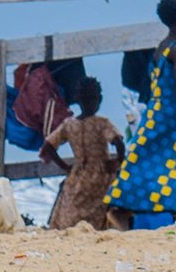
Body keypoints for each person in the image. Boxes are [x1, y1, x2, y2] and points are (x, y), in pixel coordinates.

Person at [108, 0, 176, 228]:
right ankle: (129, 210)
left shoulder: (161, 48)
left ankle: (129, 209)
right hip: (174, 119)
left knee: (147, 162)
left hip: (156, 115)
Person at [40, 78, 126, 230]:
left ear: (78, 100)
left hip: (78, 174)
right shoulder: (102, 122)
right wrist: (118, 162)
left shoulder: (70, 124)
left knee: (72, 209)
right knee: (102, 208)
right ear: (99, 99)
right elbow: (118, 142)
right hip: (101, 173)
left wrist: (65, 166)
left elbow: (48, 146)